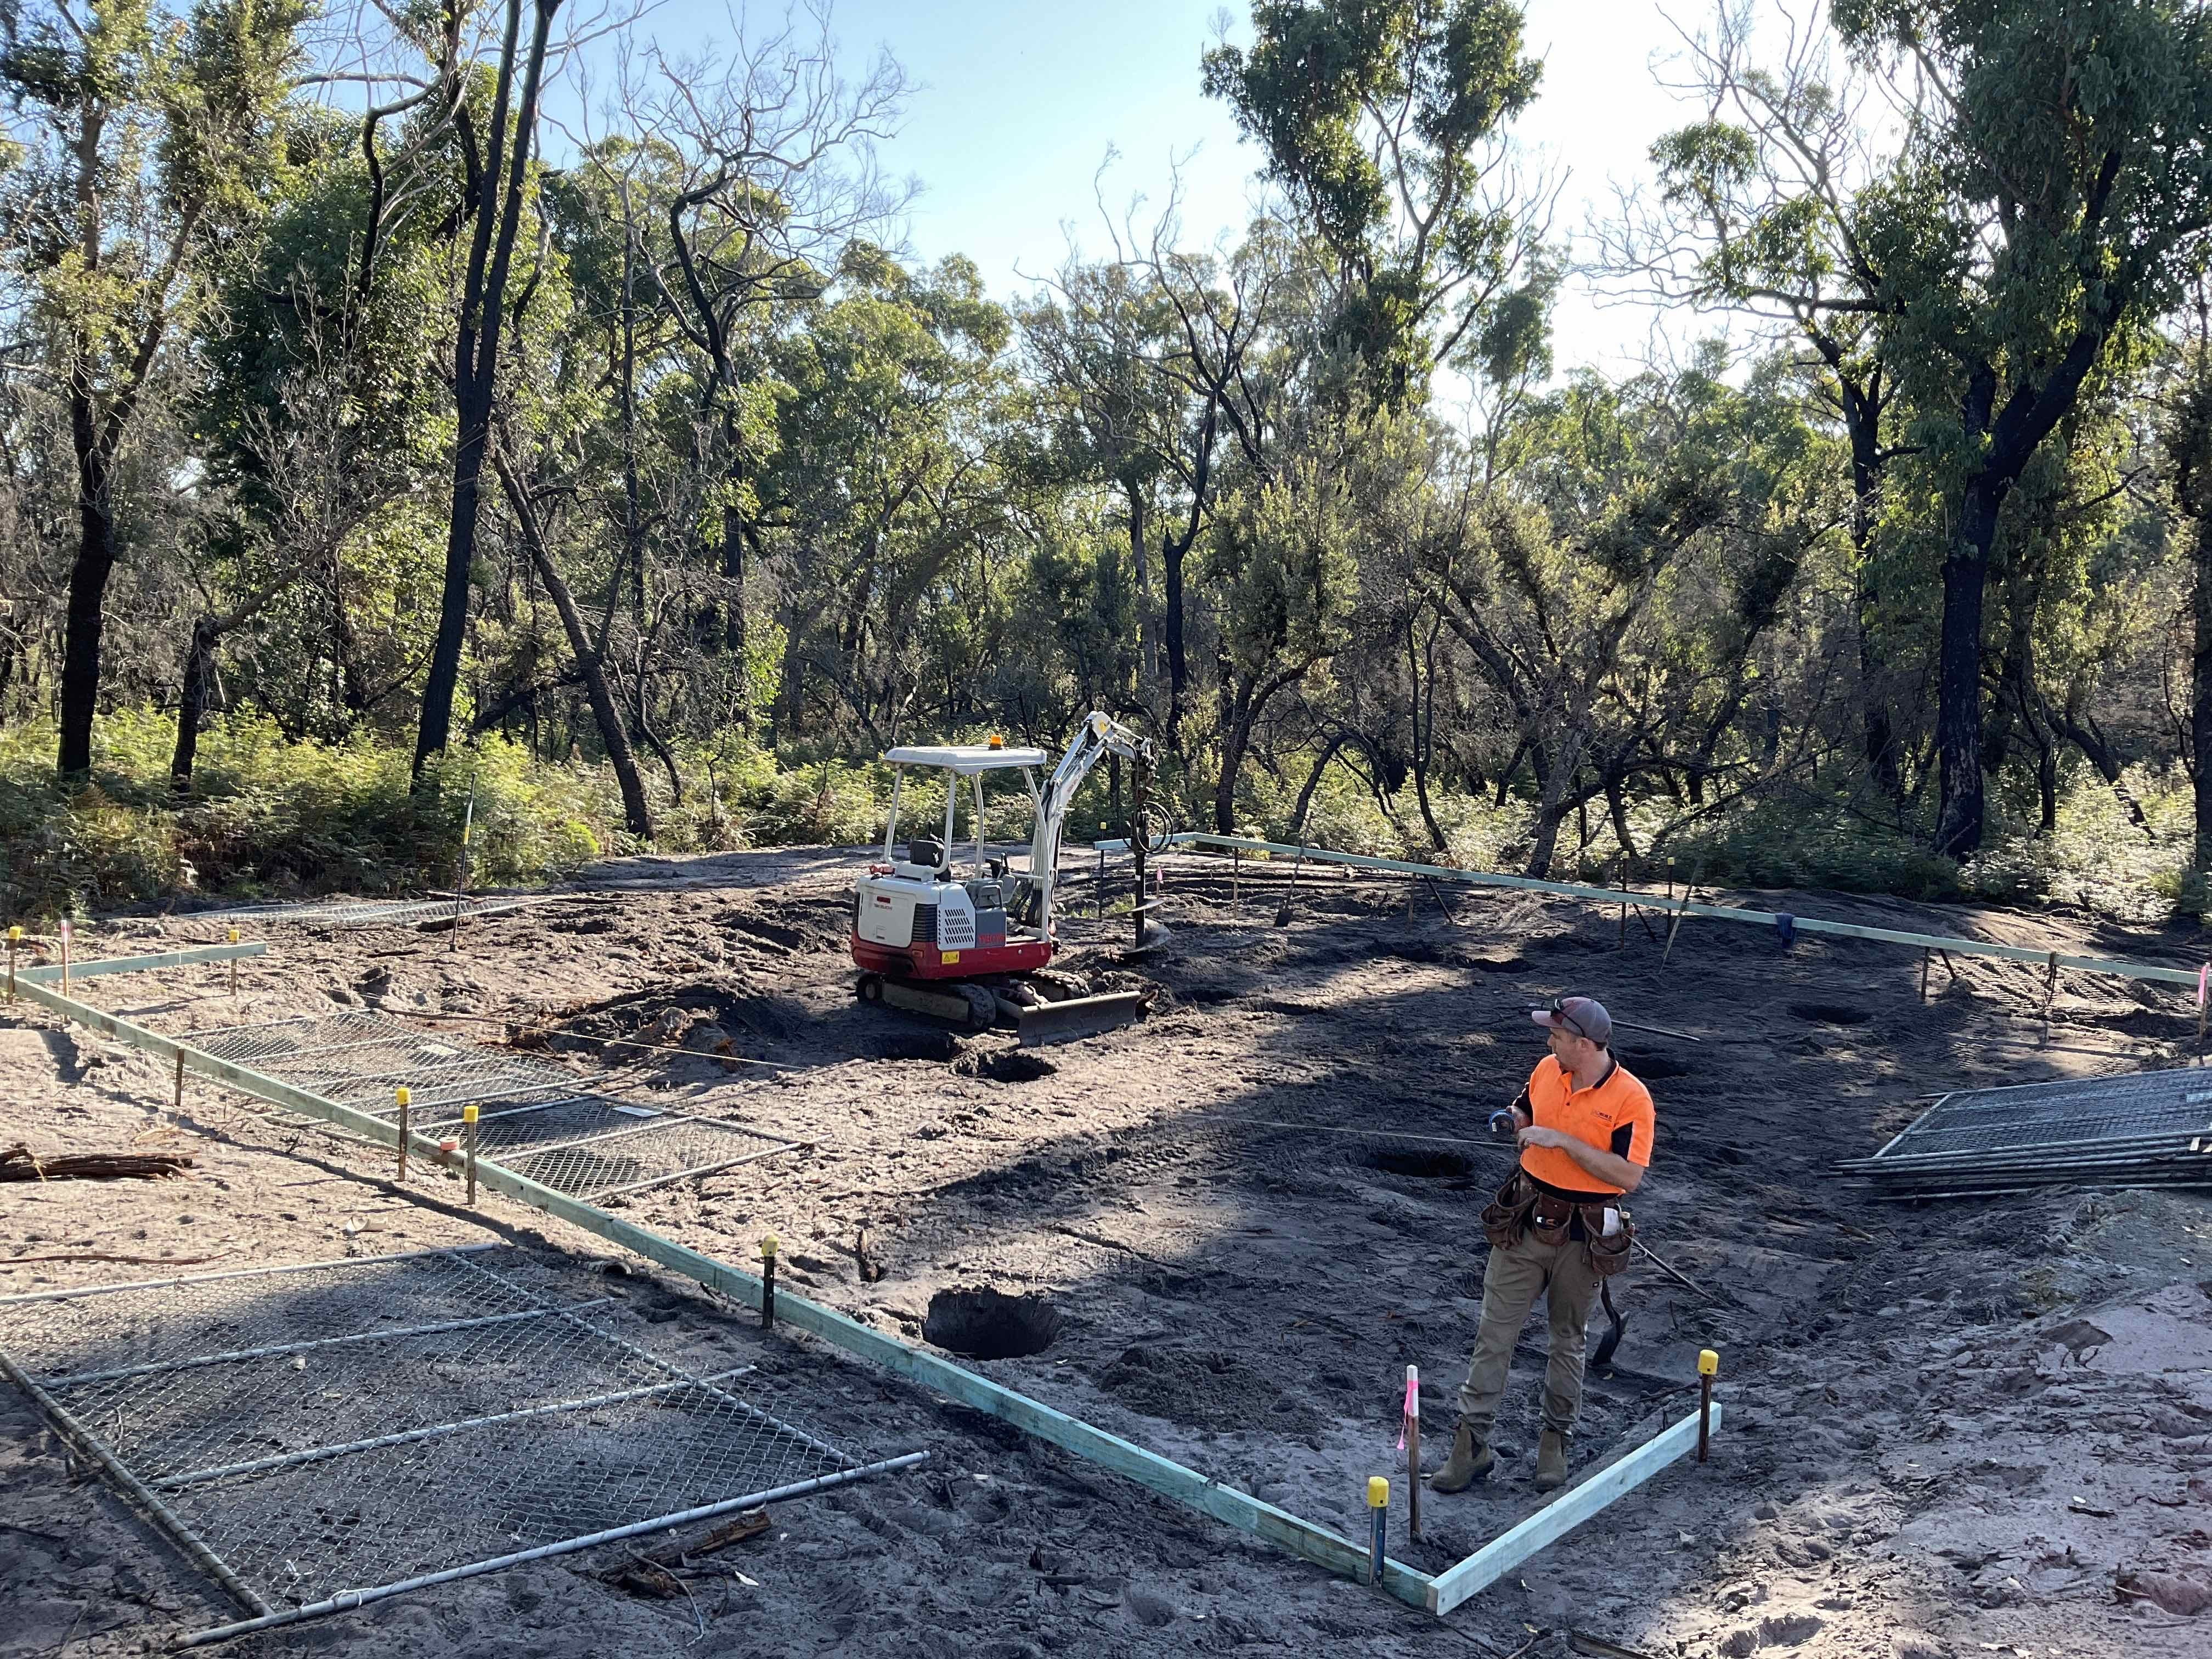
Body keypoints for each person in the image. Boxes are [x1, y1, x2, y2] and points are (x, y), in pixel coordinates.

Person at [1431, 995, 1655, 1494]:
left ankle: (1554, 1442)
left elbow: (1629, 1176)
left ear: (1583, 1043)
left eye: (1556, 1035)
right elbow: (1526, 1106)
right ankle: (1470, 1446)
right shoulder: (1547, 1069)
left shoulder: (1631, 1099)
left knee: (1567, 1341)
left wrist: (1565, 1142)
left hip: (1586, 1236)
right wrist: (1516, 1121)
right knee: (1494, 1334)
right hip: (1526, 1221)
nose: (1548, 1042)